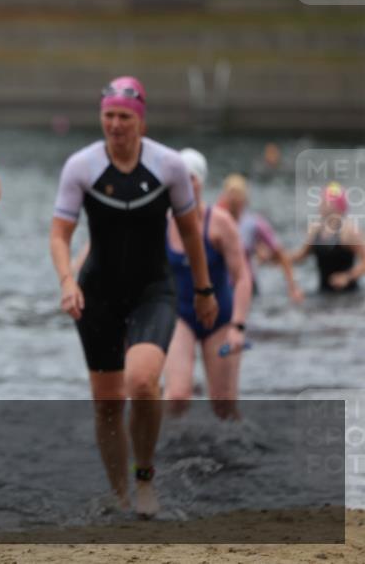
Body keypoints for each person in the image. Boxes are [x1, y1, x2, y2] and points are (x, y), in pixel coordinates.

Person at [49, 76, 218, 518]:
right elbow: (59, 234)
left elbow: (190, 233)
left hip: (153, 290)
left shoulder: (169, 167)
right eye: (109, 116)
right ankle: (119, 493)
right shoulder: (81, 167)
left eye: (125, 117)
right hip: (97, 293)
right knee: (107, 404)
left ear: (141, 120)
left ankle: (145, 477)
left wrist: (203, 290)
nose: (116, 125)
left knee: (142, 382)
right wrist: (67, 280)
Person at [163, 149, 252, 421]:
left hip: (221, 319)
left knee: (223, 405)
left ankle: (238, 453)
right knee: (177, 395)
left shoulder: (220, 222)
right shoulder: (163, 223)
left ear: (201, 182)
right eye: (179, 180)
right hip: (181, 316)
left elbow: (242, 277)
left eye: (191, 178)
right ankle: (157, 452)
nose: (185, 186)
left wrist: (238, 326)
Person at [218, 174, 304, 303]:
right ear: (224, 197)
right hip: (220, 286)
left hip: (247, 286)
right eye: (231, 194)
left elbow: (280, 254)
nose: (233, 199)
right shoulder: (215, 222)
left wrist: (293, 288)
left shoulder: (254, 224)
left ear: (244, 199)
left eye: (237, 194)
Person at [289, 182, 364, 294]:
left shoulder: (349, 231)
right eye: (322, 200)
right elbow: (300, 257)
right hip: (323, 292)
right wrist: (275, 256)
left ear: (338, 207)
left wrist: (347, 277)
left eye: (326, 201)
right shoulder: (315, 230)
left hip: (349, 295)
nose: (321, 204)